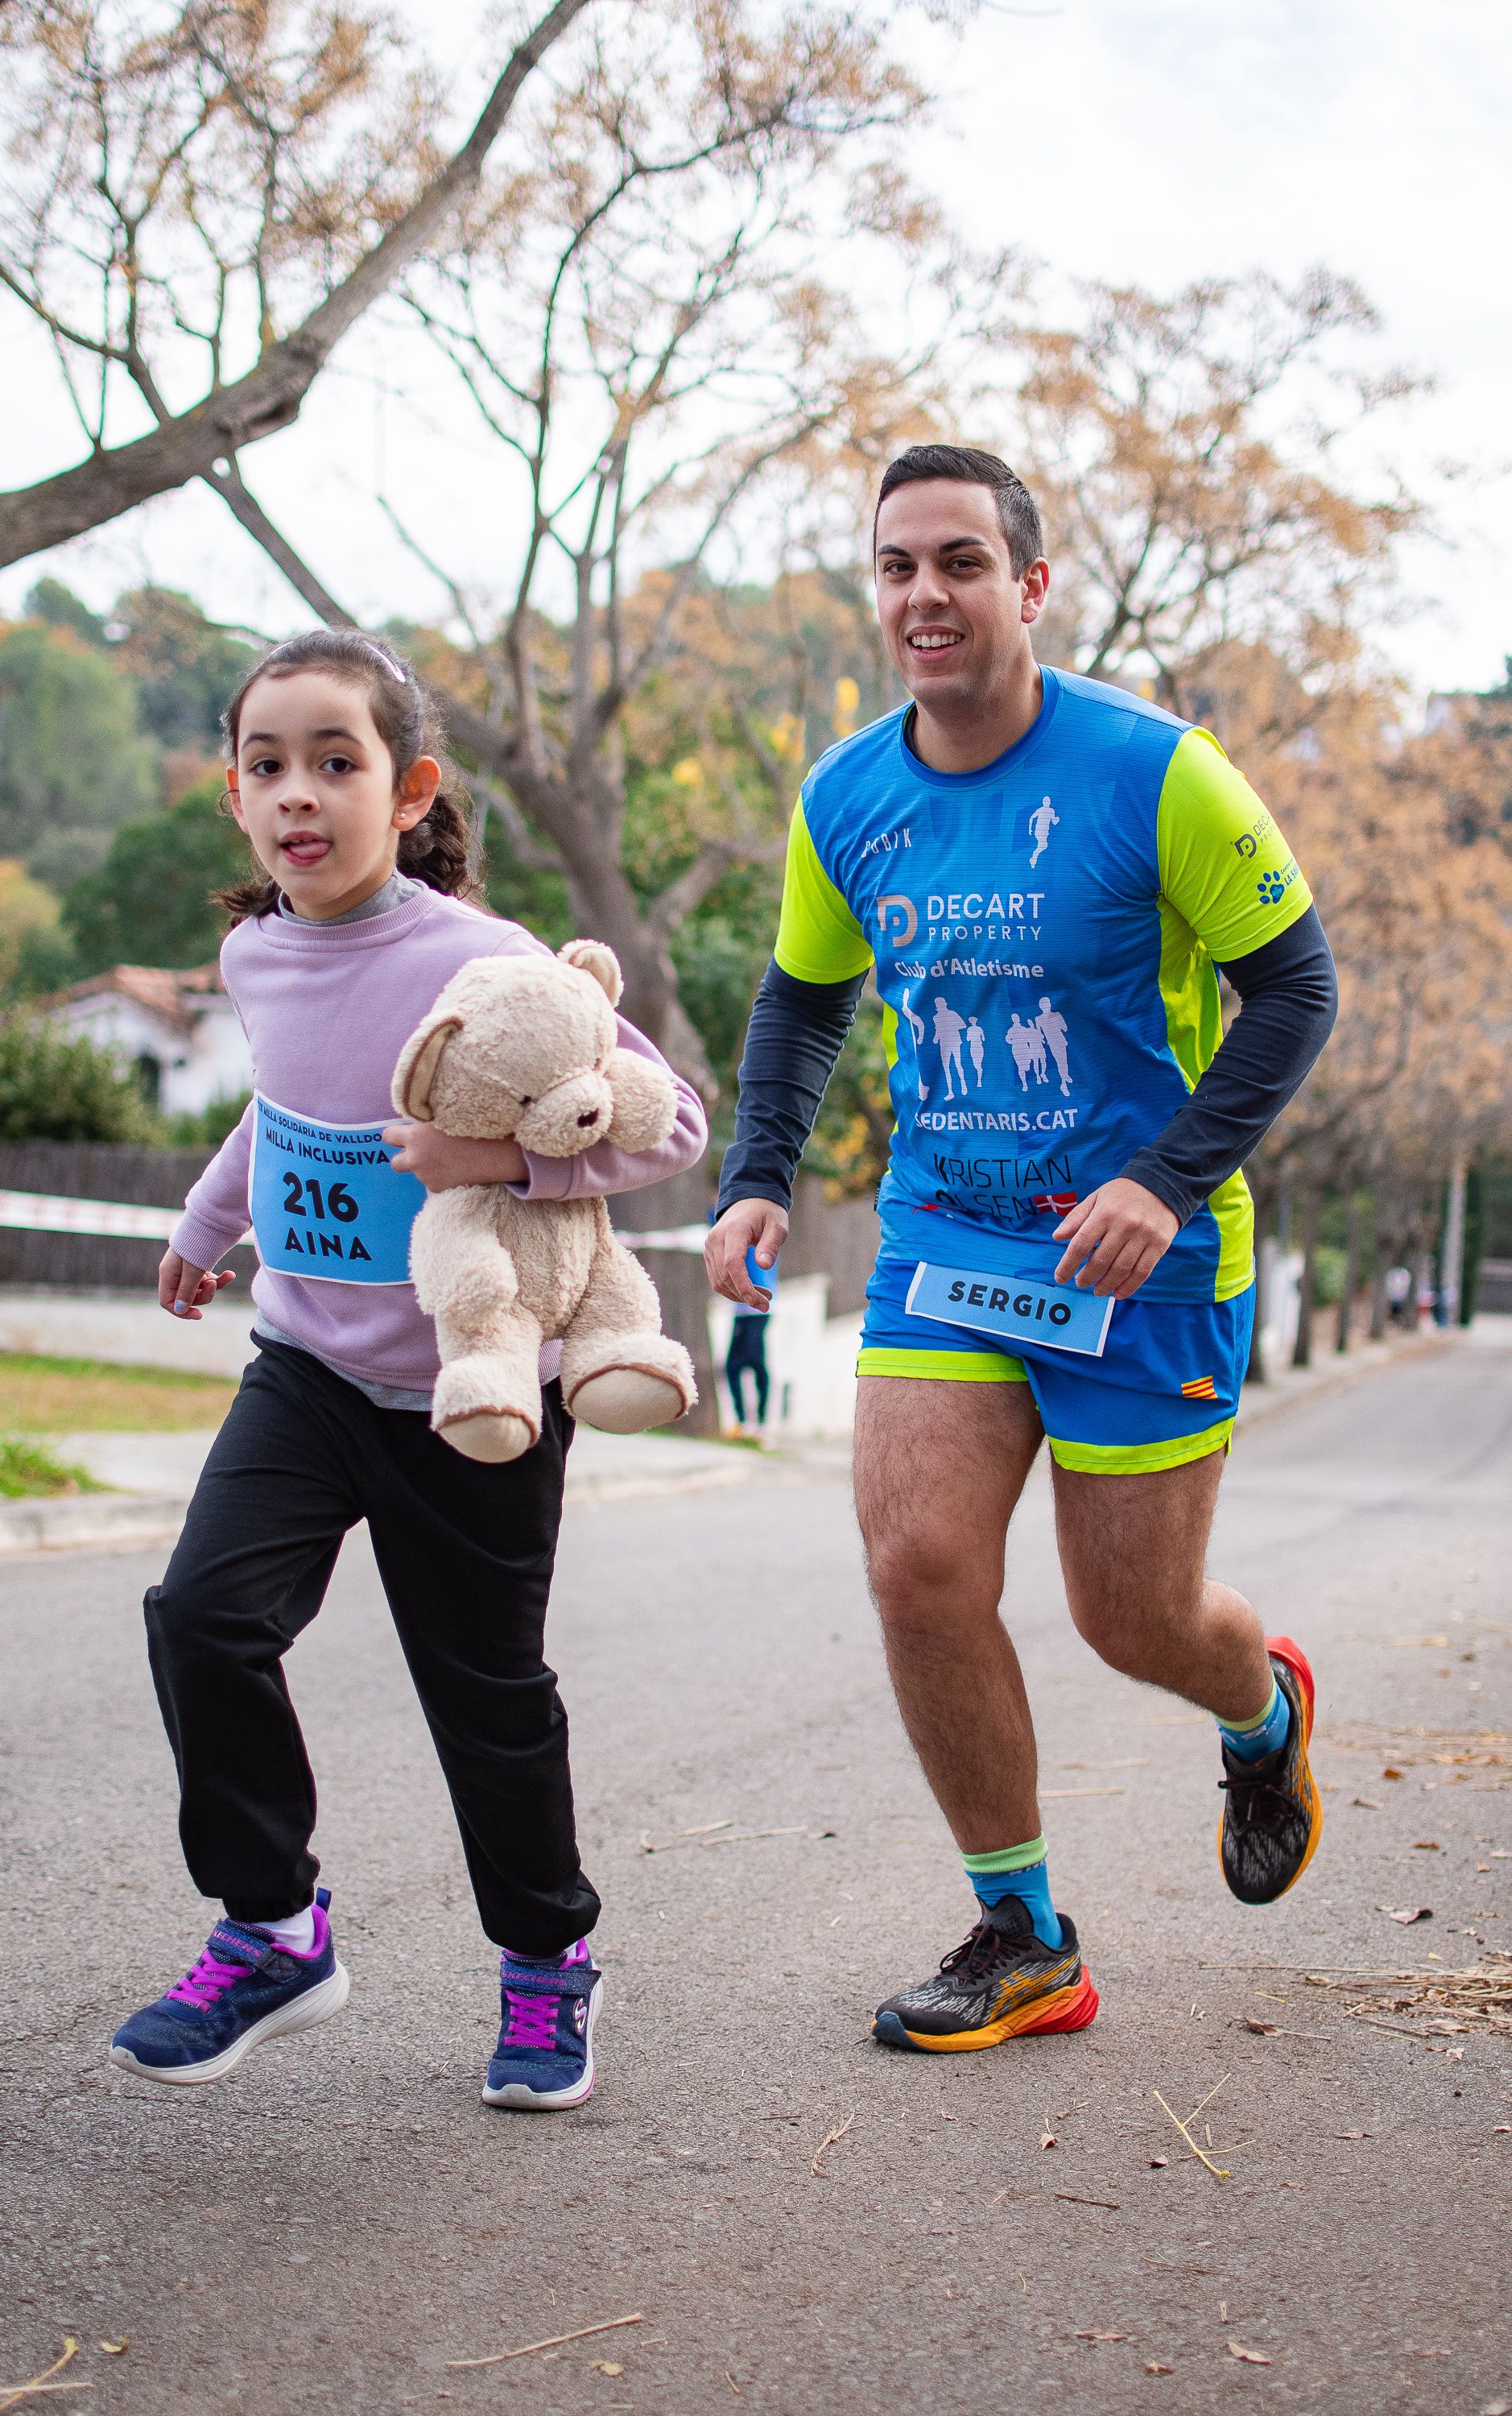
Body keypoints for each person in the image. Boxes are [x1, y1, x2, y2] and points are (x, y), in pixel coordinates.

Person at [707, 445, 1337, 2056]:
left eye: (961, 563)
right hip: (947, 1237)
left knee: (1134, 1620)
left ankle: (1258, 1708)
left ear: (1030, 586)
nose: (924, 595)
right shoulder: (848, 797)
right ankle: (1023, 1932)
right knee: (918, 1568)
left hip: (1142, 1261)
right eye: (896, 565)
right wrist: (759, 1172)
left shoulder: (1155, 773)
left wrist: (1167, 1178)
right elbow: (800, 996)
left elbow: (1295, 992)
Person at [108, 631, 705, 2108]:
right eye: (266, 766)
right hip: (306, 1367)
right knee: (202, 1619)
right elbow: (282, 1111)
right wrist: (206, 1225)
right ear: (234, 795)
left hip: (472, 1389)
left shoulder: (484, 963)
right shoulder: (255, 954)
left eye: (335, 762)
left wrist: (494, 1153)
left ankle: (547, 1964)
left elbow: (670, 1126)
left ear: (410, 787)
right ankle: (272, 1926)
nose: (298, 793)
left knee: (485, 1695)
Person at [723, 1245, 779, 1438]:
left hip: (759, 1308)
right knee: (732, 1366)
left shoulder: (754, 1226)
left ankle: (759, 1424)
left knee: (753, 1361)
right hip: (741, 1310)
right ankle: (744, 1422)